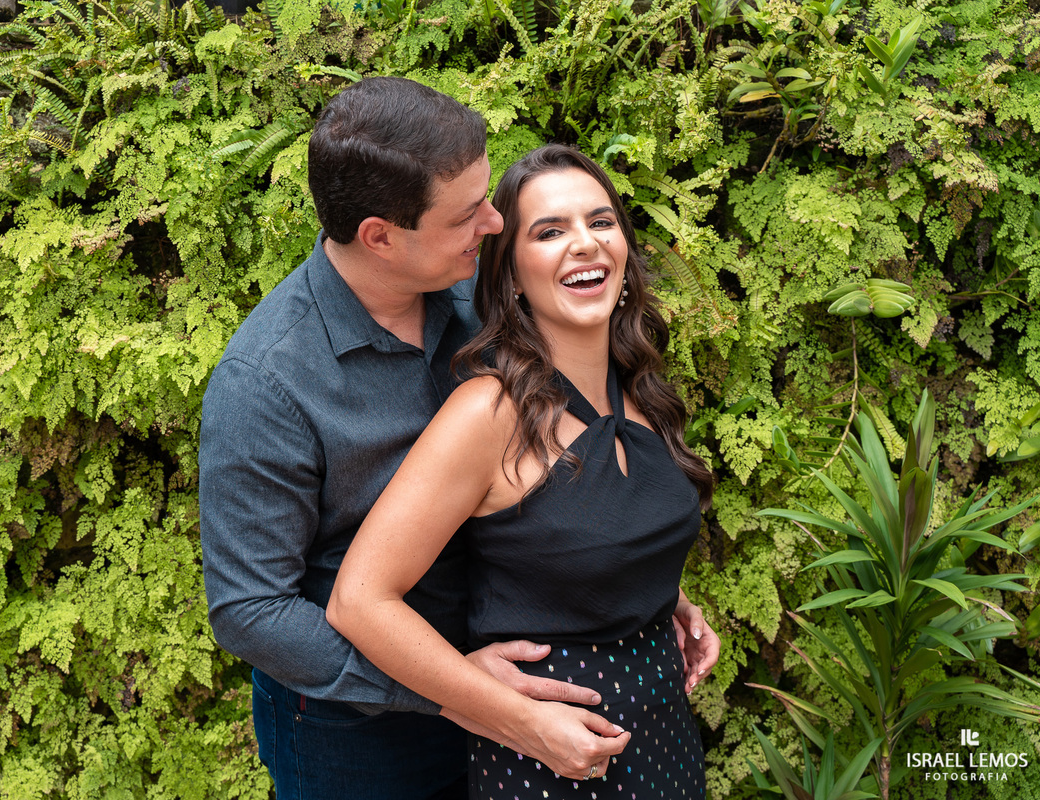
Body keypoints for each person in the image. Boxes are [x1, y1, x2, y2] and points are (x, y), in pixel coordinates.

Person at [201, 78, 718, 799]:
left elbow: (554, 487)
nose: (494, 224)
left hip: (519, 688)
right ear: (381, 235)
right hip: (360, 729)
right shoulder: (266, 382)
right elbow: (250, 610)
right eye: (466, 213)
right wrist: (457, 690)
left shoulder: (474, 299)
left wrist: (632, 580)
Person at [327, 144, 718, 798]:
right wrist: (520, 721)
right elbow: (359, 601)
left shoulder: (640, 392)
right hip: (548, 763)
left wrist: (665, 597)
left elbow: (579, 541)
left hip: (667, 744)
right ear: (510, 274)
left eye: (601, 222)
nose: (585, 244)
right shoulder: (489, 414)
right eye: (550, 231)